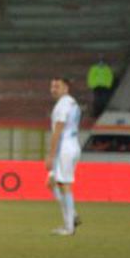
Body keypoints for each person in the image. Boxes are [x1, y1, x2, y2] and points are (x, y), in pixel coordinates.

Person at [46, 76, 82, 236]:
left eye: (57, 86)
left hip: (64, 148)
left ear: (66, 88)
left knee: (64, 184)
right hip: (73, 145)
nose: (54, 89)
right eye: (52, 86)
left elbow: (58, 131)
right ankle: (72, 215)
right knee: (52, 182)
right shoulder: (72, 103)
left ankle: (69, 227)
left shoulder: (63, 105)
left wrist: (50, 156)